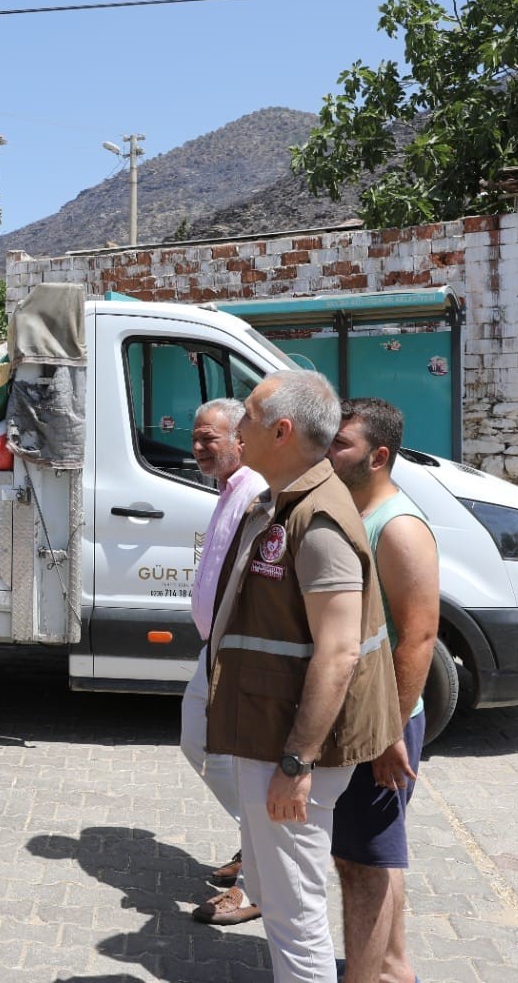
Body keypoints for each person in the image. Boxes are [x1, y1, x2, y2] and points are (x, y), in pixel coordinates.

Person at [205, 370, 401, 983]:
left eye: (250, 418)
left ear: (282, 432)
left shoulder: (317, 523)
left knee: (295, 915)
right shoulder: (283, 500)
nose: (237, 427)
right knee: (286, 898)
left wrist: (296, 764)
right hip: (268, 728)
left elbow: (340, 652)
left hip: (289, 746)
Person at [327, 397, 439, 983]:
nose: (329, 451)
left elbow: (419, 636)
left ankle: (365, 977)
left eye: (341, 443)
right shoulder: (351, 512)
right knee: (376, 853)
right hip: (363, 722)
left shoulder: (398, 528)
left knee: (360, 862)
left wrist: (389, 730)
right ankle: (392, 969)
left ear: (379, 456)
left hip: (383, 726)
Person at [181, 398, 267, 927]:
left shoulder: (256, 491)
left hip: (237, 653)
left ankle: (257, 883)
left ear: (241, 439)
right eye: (195, 437)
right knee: (198, 742)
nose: (197, 448)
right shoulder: (230, 489)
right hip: (215, 648)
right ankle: (252, 841)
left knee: (236, 762)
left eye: (208, 439)